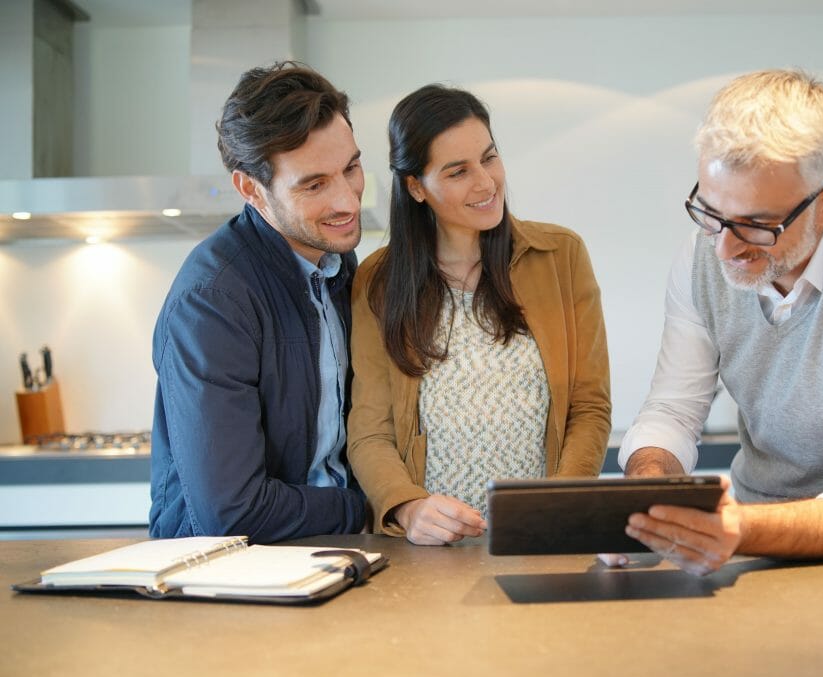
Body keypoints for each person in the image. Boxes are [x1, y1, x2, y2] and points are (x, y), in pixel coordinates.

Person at [612, 69, 823, 575]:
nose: (724, 248)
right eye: (709, 212)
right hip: (747, 539)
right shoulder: (703, 253)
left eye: (755, 224)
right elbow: (672, 411)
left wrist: (739, 529)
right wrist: (649, 492)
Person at [348, 84, 611, 545]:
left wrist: (562, 501)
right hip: (431, 551)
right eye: (457, 172)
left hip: (541, 538)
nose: (486, 183)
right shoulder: (378, 282)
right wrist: (408, 508)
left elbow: (589, 407)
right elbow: (371, 431)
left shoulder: (560, 256)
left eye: (489, 158)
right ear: (415, 187)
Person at [149, 61, 368, 542]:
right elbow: (232, 513)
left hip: (324, 553)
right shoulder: (212, 300)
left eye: (351, 168)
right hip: (225, 578)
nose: (349, 202)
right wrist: (371, 508)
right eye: (314, 184)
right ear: (251, 189)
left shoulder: (338, 264)